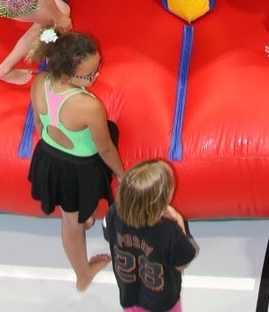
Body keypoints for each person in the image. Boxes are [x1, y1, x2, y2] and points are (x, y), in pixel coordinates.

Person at [29, 30, 126, 291]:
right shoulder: (87, 105)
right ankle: (82, 274)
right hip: (76, 169)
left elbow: (39, 124)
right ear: (66, 76)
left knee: (81, 216)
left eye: (98, 67)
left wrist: (53, 147)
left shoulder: (40, 81)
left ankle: (85, 218)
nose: (97, 76)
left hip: (49, 157)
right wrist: (122, 175)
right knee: (71, 224)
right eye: (90, 75)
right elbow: (105, 149)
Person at [104, 158, 200, 311]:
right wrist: (179, 221)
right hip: (163, 303)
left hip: (129, 296)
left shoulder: (113, 213)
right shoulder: (169, 230)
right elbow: (181, 263)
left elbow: (108, 235)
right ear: (162, 200)